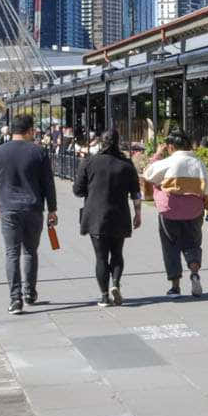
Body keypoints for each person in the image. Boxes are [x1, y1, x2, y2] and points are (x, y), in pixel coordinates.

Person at [0, 114, 58, 314]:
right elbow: (48, 184)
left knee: (11, 253)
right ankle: (29, 292)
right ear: (29, 131)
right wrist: (52, 208)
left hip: (9, 209)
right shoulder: (39, 152)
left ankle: (15, 299)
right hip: (33, 209)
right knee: (30, 252)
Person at [74, 129, 142, 307]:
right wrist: (138, 214)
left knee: (101, 257)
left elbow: (77, 190)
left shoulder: (89, 162)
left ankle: (104, 296)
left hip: (95, 215)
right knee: (117, 253)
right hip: (119, 214)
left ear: (101, 142)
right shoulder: (126, 164)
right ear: (118, 142)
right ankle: (116, 284)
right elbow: (136, 192)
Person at [141, 131, 208, 298]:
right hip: (194, 211)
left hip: (169, 211)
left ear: (170, 146)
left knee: (170, 247)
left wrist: (158, 154)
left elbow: (148, 173)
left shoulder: (168, 162)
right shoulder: (198, 163)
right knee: (193, 244)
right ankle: (194, 273)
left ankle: (175, 286)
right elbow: (207, 187)